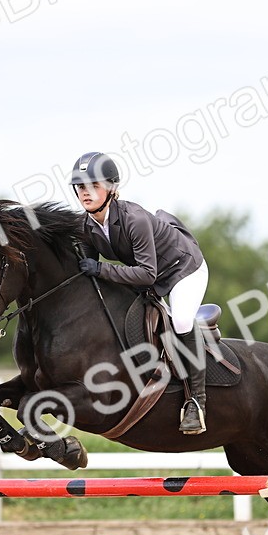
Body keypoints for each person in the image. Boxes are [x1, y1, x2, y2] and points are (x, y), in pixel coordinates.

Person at [70, 151, 210, 435]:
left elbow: (146, 273)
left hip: (182, 270)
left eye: (93, 186)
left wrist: (101, 269)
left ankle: (197, 401)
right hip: (150, 277)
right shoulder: (86, 225)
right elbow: (89, 275)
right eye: (80, 187)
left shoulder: (134, 219)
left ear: (111, 188)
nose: (85, 193)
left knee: (181, 321)